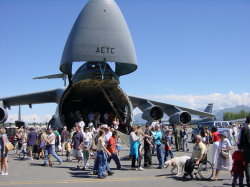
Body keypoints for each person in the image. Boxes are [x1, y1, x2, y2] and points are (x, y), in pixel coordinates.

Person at [238, 116, 250, 187]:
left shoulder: (244, 129)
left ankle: (248, 181)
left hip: (247, 149)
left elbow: (241, 139)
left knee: (248, 165)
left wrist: (240, 147)